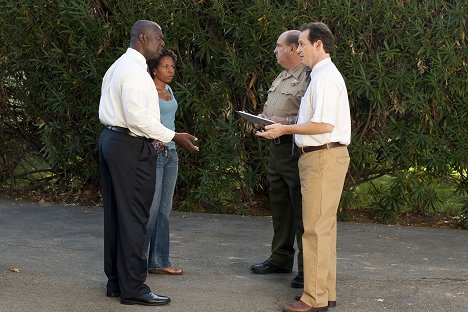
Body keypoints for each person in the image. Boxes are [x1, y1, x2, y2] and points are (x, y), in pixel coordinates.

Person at [98, 20, 199, 306]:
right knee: (134, 218)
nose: (162, 43)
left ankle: (116, 282)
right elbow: (137, 118)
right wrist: (173, 135)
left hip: (112, 140)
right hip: (129, 144)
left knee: (118, 215)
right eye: (158, 38)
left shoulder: (118, 65)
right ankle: (133, 288)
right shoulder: (135, 71)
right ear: (142, 38)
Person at [256, 22, 351, 312]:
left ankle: (314, 298)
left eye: (303, 45)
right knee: (323, 229)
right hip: (322, 156)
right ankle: (325, 293)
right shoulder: (321, 75)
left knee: (314, 231)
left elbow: (323, 124)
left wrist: (283, 131)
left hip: (322, 156)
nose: (299, 49)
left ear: (318, 45)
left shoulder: (323, 78)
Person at [250, 30, 308, 289]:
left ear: (295, 48)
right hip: (275, 149)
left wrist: (282, 123)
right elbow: (276, 110)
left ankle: (307, 270)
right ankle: (280, 258)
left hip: (294, 150)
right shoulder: (282, 77)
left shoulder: (309, 77)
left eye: (278, 45)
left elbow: (310, 119)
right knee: (280, 207)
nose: (275, 50)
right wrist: (262, 117)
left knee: (301, 211)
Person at [144, 49, 183, 276]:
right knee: (150, 210)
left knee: (164, 210)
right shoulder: (147, 90)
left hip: (172, 154)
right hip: (155, 154)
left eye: (172, 67)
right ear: (154, 69)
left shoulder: (168, 89)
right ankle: (138, 261)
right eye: (165, 67)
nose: (170, 71)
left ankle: (158, 260)